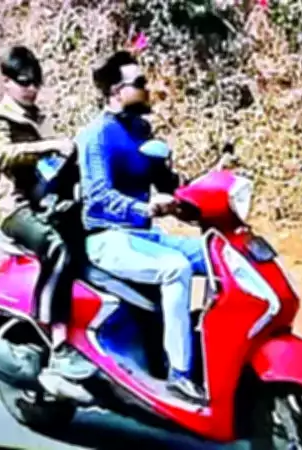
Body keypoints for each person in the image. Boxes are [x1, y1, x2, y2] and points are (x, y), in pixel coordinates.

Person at [74, 51, 207, 403]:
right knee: (176, 269)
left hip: (143, 235)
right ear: (116, 91)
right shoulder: (96, 135)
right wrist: (143, 207)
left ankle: (207, 349)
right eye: (140, 83)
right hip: (107, 237)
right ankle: (179, 373)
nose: (148, 89)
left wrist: (195, 199)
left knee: (215, 255)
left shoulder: (140, 131)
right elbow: (98, 196)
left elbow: (166, 183)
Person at [0, 45, 94, 380]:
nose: (32, 88)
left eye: (36, 82)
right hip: (14, 208)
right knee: (56, 248)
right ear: (7, 82)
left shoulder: (39, 119)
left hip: (50, 204)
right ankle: (60, 344)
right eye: (24, 82)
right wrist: (48, 146)